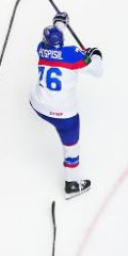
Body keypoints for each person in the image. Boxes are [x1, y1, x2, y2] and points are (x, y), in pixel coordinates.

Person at [30, 12, 103, 199]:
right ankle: (72, 184)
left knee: (39, 96)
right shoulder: (72, 54)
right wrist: (95, 55)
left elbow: (52, 44)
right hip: (64, 116)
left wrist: (59, 23)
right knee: (71, 147)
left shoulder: (40, 49)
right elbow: (97, 71)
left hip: (39, 107)